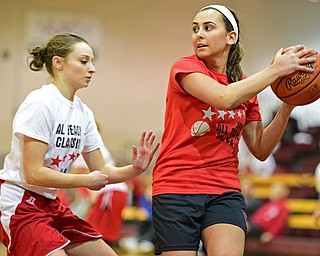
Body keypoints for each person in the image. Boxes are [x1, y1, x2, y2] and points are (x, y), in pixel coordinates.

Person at [151, 4, 315, 256]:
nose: (199, 35)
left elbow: (260, 149)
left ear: (231, 37)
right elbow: (224, 98)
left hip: (224, 189)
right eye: (195, 29)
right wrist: (276, 70)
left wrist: (287, 106)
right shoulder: (184, 68)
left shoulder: (245, 89)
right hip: (177, 186)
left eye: (208, 27)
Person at [0, 33, 159, 256]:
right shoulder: (40, 104)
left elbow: (102, 170)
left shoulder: (84, 113)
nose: (92, 68)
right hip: (20, 202)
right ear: (58, 63)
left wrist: (135, 169)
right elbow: (33, 173)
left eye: (92, 62)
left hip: (50, 202)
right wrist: (84, 180)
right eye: (84, 61)